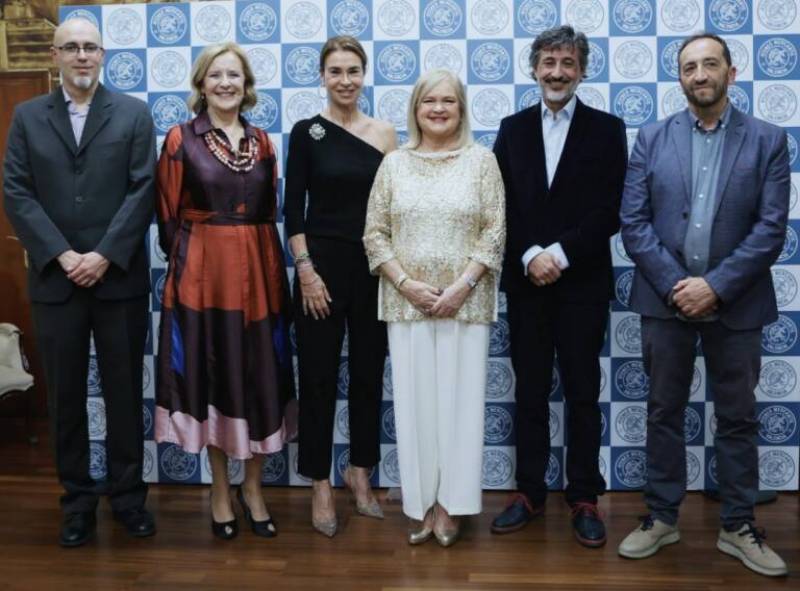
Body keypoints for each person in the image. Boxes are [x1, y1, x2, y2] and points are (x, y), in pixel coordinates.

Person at [619, 33, 789, 577]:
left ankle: (738, 525)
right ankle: (662, 518)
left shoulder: (767, 140)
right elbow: (634, 223)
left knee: (738, 417)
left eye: (709, 64)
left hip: (736, 303)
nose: (699, 74)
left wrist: (714, 285)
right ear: (680, 78)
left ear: (730, 73)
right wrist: (677, 285)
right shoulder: (650, 137)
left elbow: (770, 230)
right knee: (664, 412)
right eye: (689, 67)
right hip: (664, 300)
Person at [3, 17, 156, 547]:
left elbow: (144, 190)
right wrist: (65, 255)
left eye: (91, 47)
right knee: (65, 398)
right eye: (72, 47)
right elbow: (17, 192)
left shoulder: (134, 115)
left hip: (119, 282)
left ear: (103, 54)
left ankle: (129, 498)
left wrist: (105, 255)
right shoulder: (26, 117)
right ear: (55, 55)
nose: (82, 55)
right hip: (56, 281)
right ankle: (77, 502)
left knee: (124, 394)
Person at [490, 25, 628, 548]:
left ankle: (584, 497)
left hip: (582, 283)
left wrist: (561, 254)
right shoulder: (511, 128)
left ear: (582, 69)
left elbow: (611, 208)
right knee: (528, 392)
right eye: (548, 61)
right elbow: (499, 205)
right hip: (526, 284)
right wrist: (529, 255)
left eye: (567, 62)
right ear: (533, 67)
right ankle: (528, 492)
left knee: (582, 393)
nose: (557, 72)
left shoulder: (607, 129)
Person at [155, 42, 295, 541]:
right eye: (216, 75)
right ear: (201, 84)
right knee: (215, 375)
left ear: (246, 84)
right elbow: (167, 220)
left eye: (234, 75)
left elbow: (269, 211)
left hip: (260, 275)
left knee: (259, 374)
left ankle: (252, 488)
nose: (226, 83)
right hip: (203, 278)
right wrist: (197, 267)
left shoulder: (264, 142)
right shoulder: (180, 139)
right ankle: (219, 489)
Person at [363, 68, 505, 547]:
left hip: (466, 304)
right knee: (417, 407)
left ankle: (452, 507)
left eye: (448, 101)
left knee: (460, 410)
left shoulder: (482, 161)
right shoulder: (394, 164)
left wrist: (461, 286)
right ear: (416, 110)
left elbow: (495, 231)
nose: (438, 109)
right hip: (408, 305)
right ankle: (422, 505)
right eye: (429, 102)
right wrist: (407, 284)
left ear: (461, 109)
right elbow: (374, 234)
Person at [283, 36, 396, 538]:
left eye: (353, 70)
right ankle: (320, 481)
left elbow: (393, 210)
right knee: (319, 377)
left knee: (369, 374)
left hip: (373, 267)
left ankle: (361, 472)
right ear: (322, 76)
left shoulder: (387, 134)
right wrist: (306, 272)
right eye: (335, 71)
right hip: (320, 269)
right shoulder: (306, 133)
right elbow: (292, 213)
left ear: (364, 74)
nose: (345, 80)